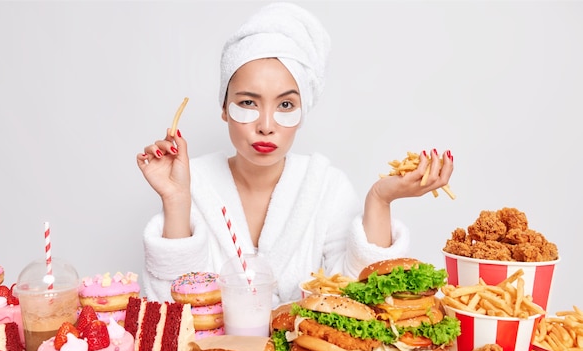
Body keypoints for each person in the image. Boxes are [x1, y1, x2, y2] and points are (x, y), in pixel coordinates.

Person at [136, 2, 453, 306]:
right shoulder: (194, 182)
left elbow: (362, 295)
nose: (266, 125)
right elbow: (170, 308)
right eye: (248, 102)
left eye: (285, 105)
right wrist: (176, 201)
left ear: (303, 112)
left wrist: (380, 200)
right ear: (224, 107)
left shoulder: (326, 188)